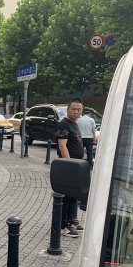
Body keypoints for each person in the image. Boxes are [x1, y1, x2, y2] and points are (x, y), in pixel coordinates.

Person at [56, 98, 85, 238]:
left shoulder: (75, 124)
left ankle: (72, 221)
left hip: (76, 165)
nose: (76, 112)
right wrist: (70, 165)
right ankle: (64, 226)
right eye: (73, 109)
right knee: (66, 197)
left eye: (79, 109)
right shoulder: (63, 125)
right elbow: (62, 146)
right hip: (69, 166)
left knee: (73, 195)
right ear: (68, 110)